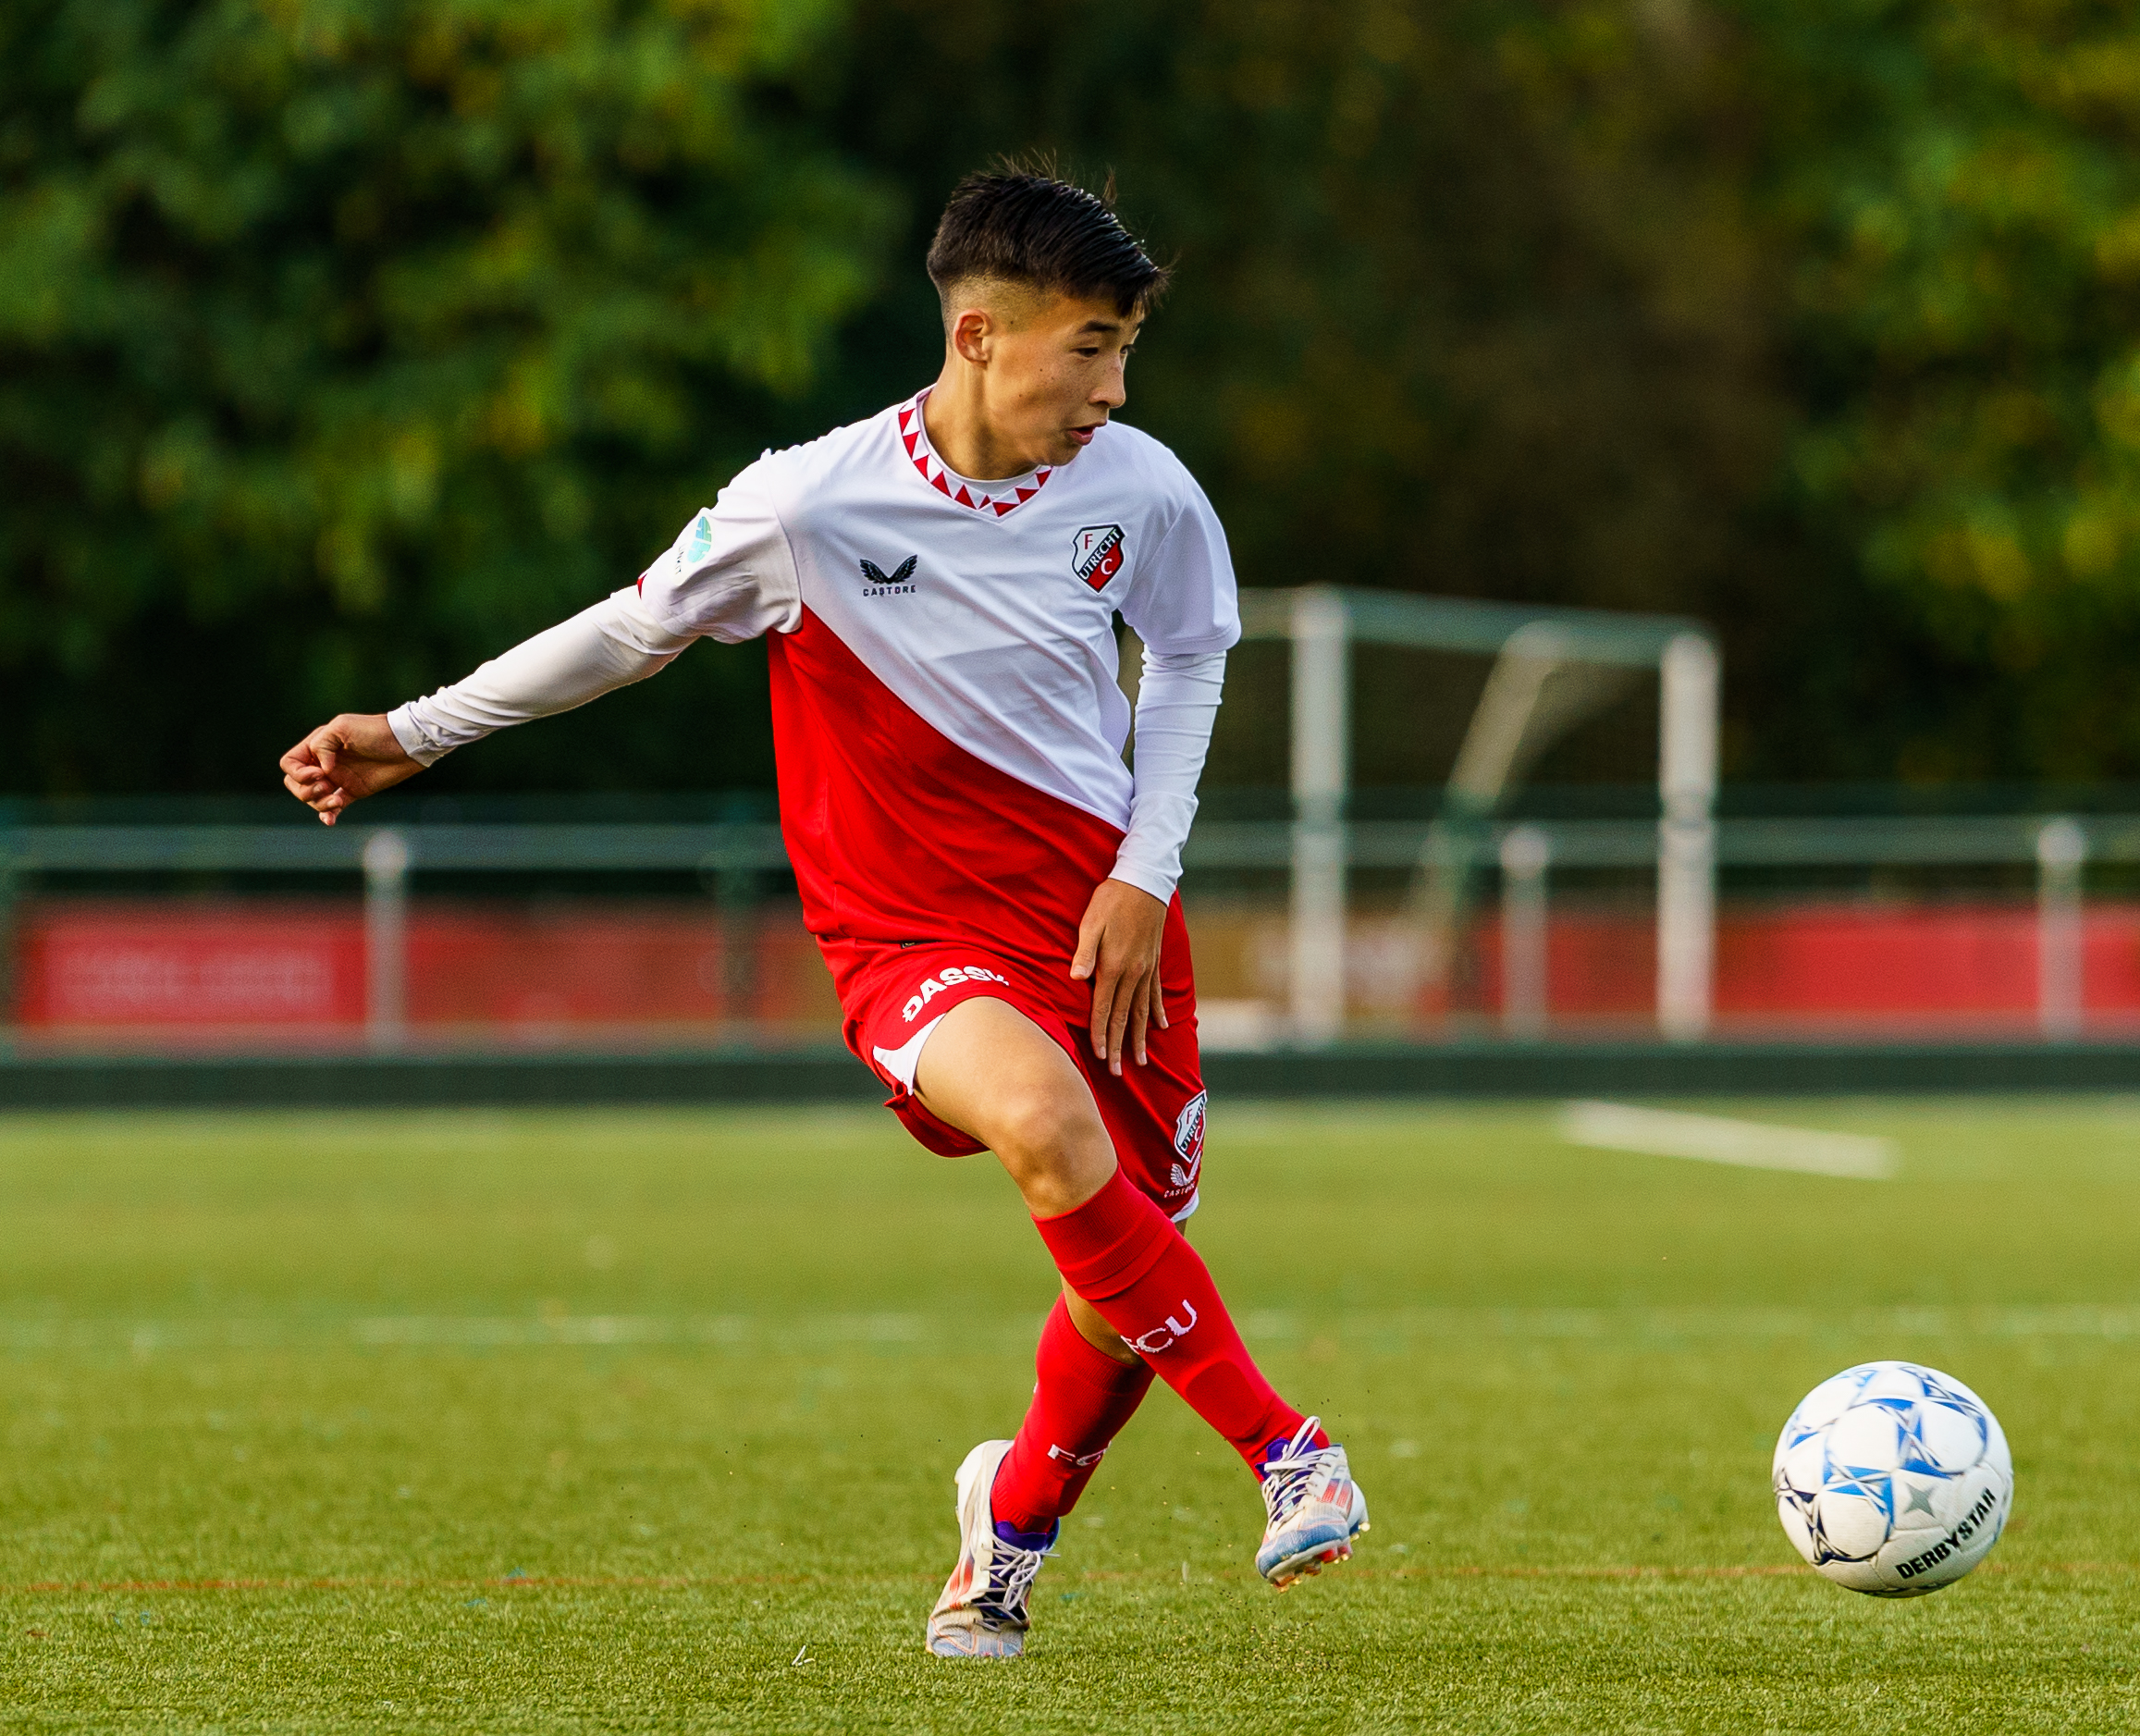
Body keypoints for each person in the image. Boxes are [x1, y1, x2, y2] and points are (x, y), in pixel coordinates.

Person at [278, 169, 1369, 1657]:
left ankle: (1009, 1525)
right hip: (912, 940)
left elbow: (1188, 657)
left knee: (1123, 1263)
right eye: (1090, 349)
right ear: (979, 335)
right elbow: (630, 629)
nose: (1113, 390)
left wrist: (1143, 872)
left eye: (1124, 352)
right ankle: (1286, 1450)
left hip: (1103, 925)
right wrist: (414, 730)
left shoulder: (1143, 490)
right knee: (1047, 1128)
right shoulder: (808, 501)